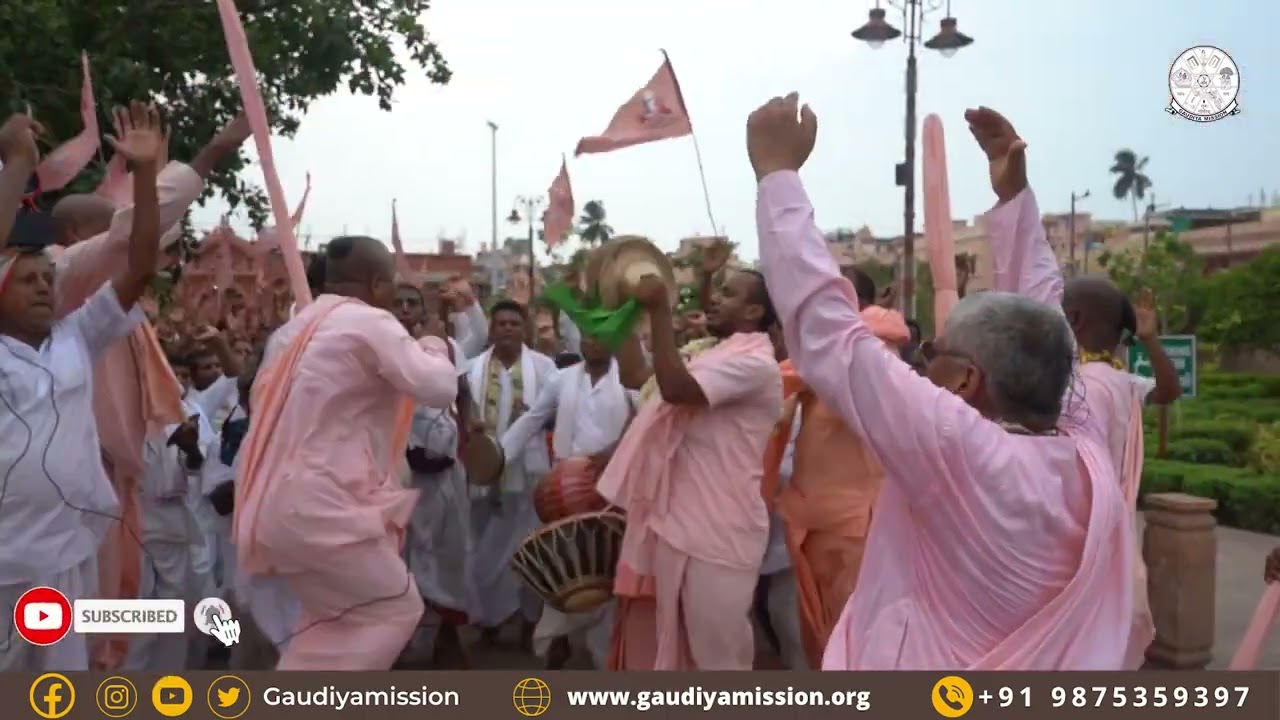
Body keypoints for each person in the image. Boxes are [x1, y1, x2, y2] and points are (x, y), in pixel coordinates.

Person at [750, 93, 1131, 669]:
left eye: (936, 351)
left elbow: (832, 338)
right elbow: (1047, 316)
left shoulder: (960, 450)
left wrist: (777, 178)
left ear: (966, 380)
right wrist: (1013, 201)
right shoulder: (1085, 443)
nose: (924, 362)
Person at [52, 110, 250, 670]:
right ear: (72, 239)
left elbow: (144, 236)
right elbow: (135, 233)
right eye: (111, 228)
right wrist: (211, 149)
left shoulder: (105, 315)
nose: (138, 243)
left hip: (128, 492)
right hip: (77, 492)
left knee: (138, 617)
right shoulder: (65, 285)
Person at [234, 235, 458, 670]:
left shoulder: (290, 331)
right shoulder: (369, 322)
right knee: (397, 606)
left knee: (328, 623)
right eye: (392, 284)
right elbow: (438, 387)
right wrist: (433, 344)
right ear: (377, 285)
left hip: (272, 505)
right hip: (323, 508)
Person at [0, 102, 165, 671]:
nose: (46, 289)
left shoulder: (77, 336)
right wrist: (18, 164)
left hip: (64, 563)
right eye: (28, 281)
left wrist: (144, 176)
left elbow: (139, 268)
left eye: (50, 278)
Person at [603, 266, 782, 670]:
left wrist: (662, 312)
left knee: (718, 658)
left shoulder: (755, 364)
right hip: (677, 522)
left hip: (720, 530)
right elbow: (637, 375)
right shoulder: (710, 353)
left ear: (754, 311)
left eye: (729, 293)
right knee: (678, 652)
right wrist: (627, 312)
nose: (715, 298)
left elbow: (676, 389)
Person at [762, 266, 908, 668]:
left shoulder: (866, 351)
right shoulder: (823, 352)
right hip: (816, 524)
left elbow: (767, 384)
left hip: (855, 531)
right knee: (812, 636)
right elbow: (773, 390)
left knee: (847, 644)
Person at [502, 335, 638, 669]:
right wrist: (499, 455)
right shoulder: (562, 379)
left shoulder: (632, 377)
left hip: (617, 489)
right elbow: (532, 419)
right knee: (567, 568)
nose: (594, 342)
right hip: (564, 492)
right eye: (588, 335)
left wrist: (615, 451)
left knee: (609, 571)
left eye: (601, 334)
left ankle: (606, 655)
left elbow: (646, 420)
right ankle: (560, 641)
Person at [464, 299, 556, 647]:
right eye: (500, 323)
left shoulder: (545, 368)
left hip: (527, 476)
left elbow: (555, 412)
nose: (507, 329)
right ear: (490, 329)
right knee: (483, 551)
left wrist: (533, 415)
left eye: (514, 324)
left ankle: (528, 621)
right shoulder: (473, 369)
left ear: (524, 330)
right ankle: (489, 620)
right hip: (481, 476)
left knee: (528, 549)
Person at [393, 282, 475, 669]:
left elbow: (463, 392)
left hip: (445, 476)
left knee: (448, 553)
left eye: (413, 303)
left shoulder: (447, 348)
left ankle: (446, 636)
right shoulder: (382, 349)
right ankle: (396, 647)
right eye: (399, 304)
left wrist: (470, 429)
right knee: (399, 559)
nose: (406, 309)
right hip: (397, 477)